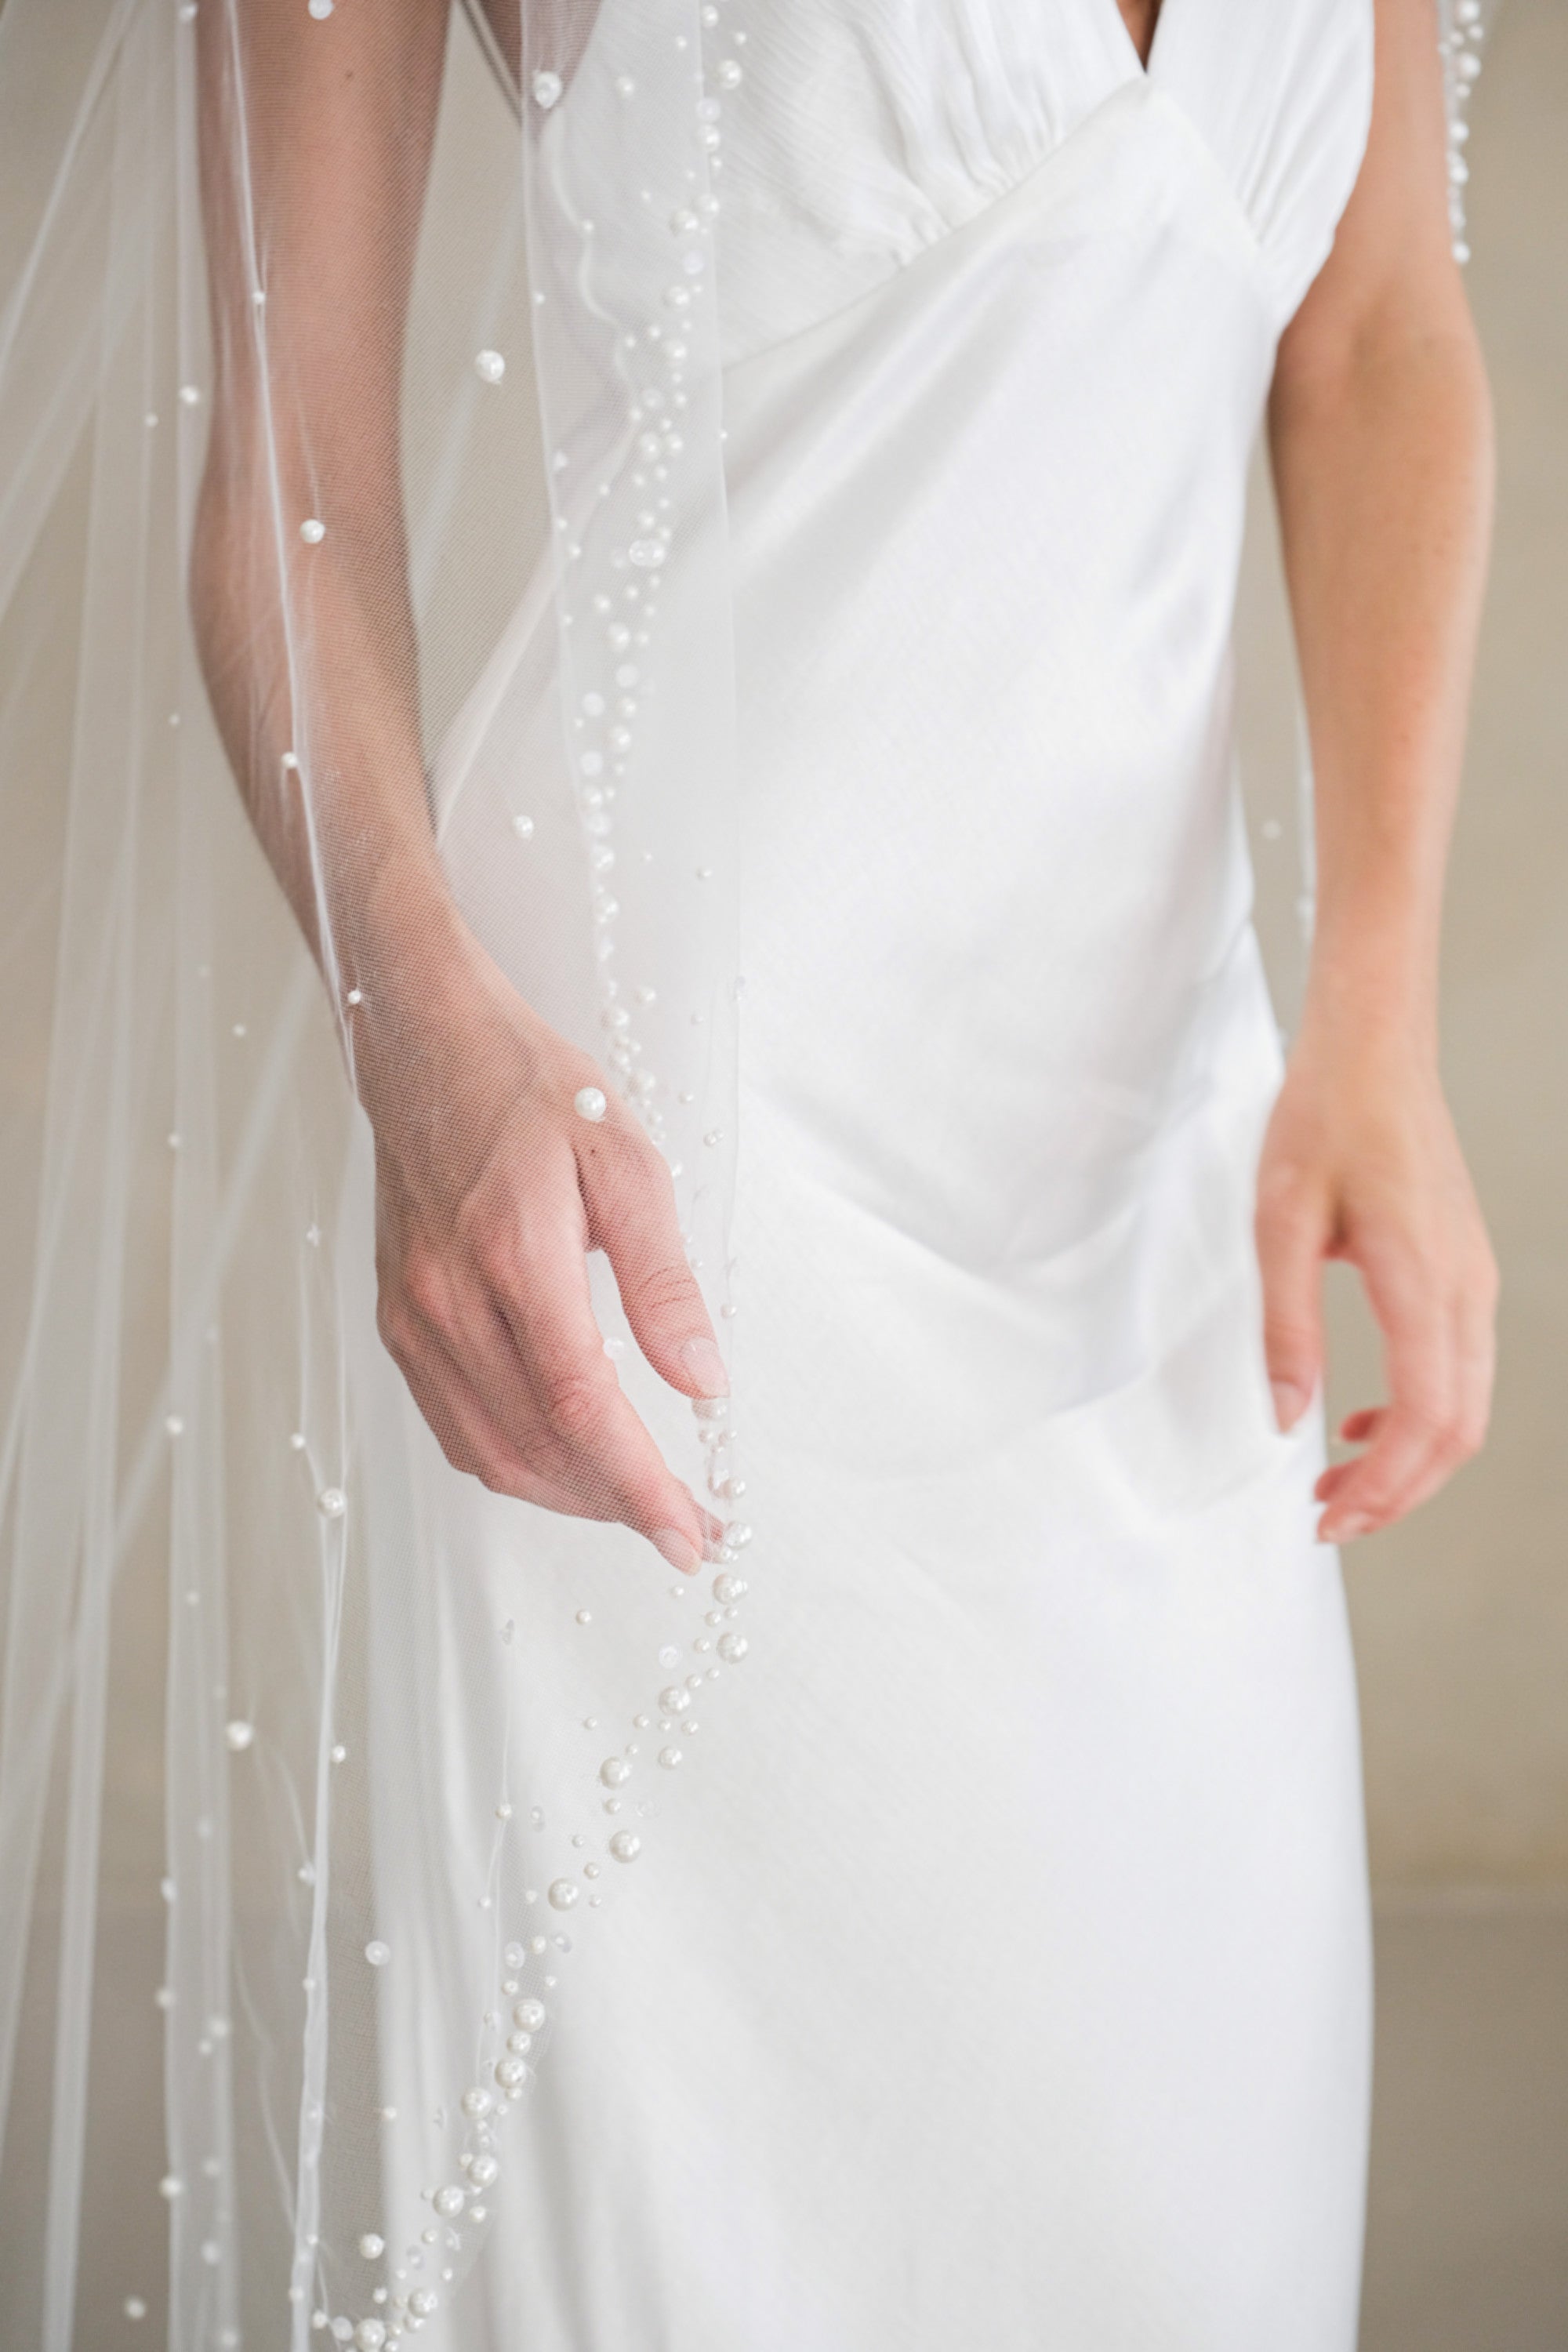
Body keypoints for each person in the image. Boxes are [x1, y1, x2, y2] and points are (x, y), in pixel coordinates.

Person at [0, 0, 1496, 2343]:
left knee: (1197, 2217)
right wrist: (425, 1048)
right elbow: (294, 475)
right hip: (659, 1209)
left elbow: (1382, 336)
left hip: (1166, 1197)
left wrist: (1380, 1025)